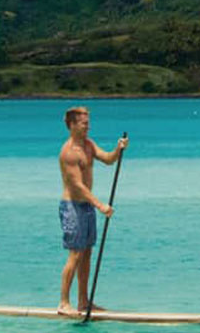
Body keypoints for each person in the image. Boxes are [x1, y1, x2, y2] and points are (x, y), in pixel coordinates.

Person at [58, 106, 127, 316]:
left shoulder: (88, 145)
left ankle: (83, 302)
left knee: (87, 254)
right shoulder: (68, 152)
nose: (88, 126)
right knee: (76, 253)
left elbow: (107, 159)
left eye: (88, 122)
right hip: (73, 207)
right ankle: (63, 303)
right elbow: (77, 185)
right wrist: (100, 205)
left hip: (87, 206)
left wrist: (118, 149)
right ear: (72, 125)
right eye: (83, 123)